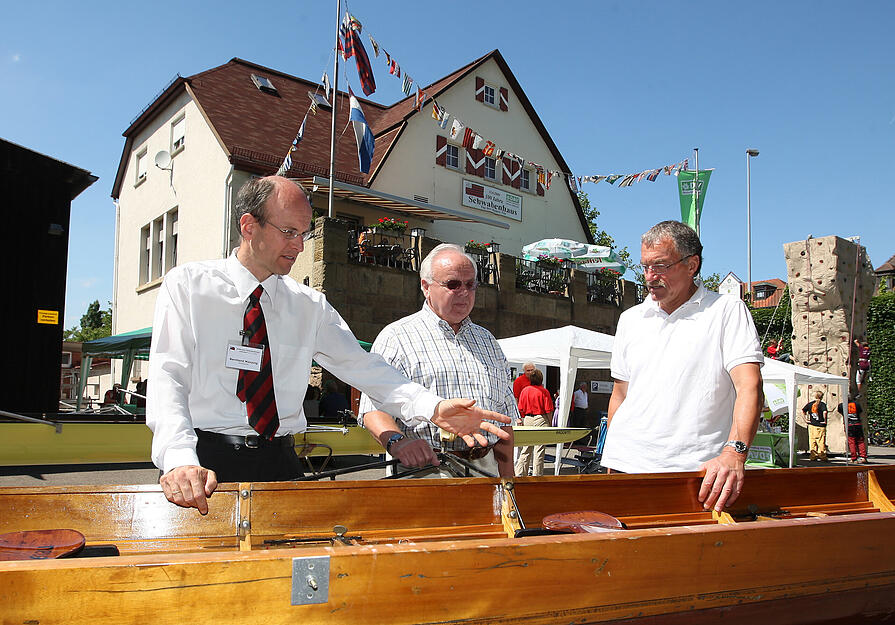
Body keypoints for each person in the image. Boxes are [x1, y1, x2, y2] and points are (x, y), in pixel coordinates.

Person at [147, 177, 511, 514]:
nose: (298, 245)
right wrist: (178, 458)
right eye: (288, 231)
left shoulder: (309, 305)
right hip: (204, 467)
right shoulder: (189, 286)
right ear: (248, 226)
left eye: (303, 233)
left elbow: (365, 368)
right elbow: (168, 377)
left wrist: (433, 407)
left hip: (281, 464)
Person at [601, 220, 763, 512]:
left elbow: (749, 386)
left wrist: (735, 453)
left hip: (695, 475)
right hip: (625, 468)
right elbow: (620, 394)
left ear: (692, 265)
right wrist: (613, 453)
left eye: (660, 266)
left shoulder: (726, 310)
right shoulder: (630, 319)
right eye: (645, 267)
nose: (650, 277)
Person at [358, 244, 517, 478]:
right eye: (453, 284)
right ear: (426, 287)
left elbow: (503, 421)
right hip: (424, 470)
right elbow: (371, 409)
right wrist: (398, 442)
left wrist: (509, 482)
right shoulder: (397, 337)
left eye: (470, 284)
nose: (464, 292)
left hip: (486, 468)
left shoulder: (489, 342)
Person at [514, 368, 554, 477]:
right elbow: (548, 410)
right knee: (539, 449)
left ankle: (520, 473)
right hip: (541, 418)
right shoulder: (544, 391)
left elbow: (520, 407)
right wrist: (550, 423)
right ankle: (537, 475)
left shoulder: (525, 390)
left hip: (528, 418)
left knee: (526, 448)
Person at [838, 394, 867, 463]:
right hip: (857, 424)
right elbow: (860, 412)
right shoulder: (856, 404)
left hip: (849, 425)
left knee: (851, 442)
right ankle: (863, 457)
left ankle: (854, 458)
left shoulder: (841, 405)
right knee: (860, 441)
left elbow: (840, 412)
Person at [802, 390, 829, 461]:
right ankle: (822, 456)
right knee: (820, 441)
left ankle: (813, 456)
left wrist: (806, 420)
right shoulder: (822, 404)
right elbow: (825, 412)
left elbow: (803, 411)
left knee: (812, 441)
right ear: (822, 397)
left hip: (811, 425)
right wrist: (825, 420)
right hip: (820, 425)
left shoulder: (810, 404)